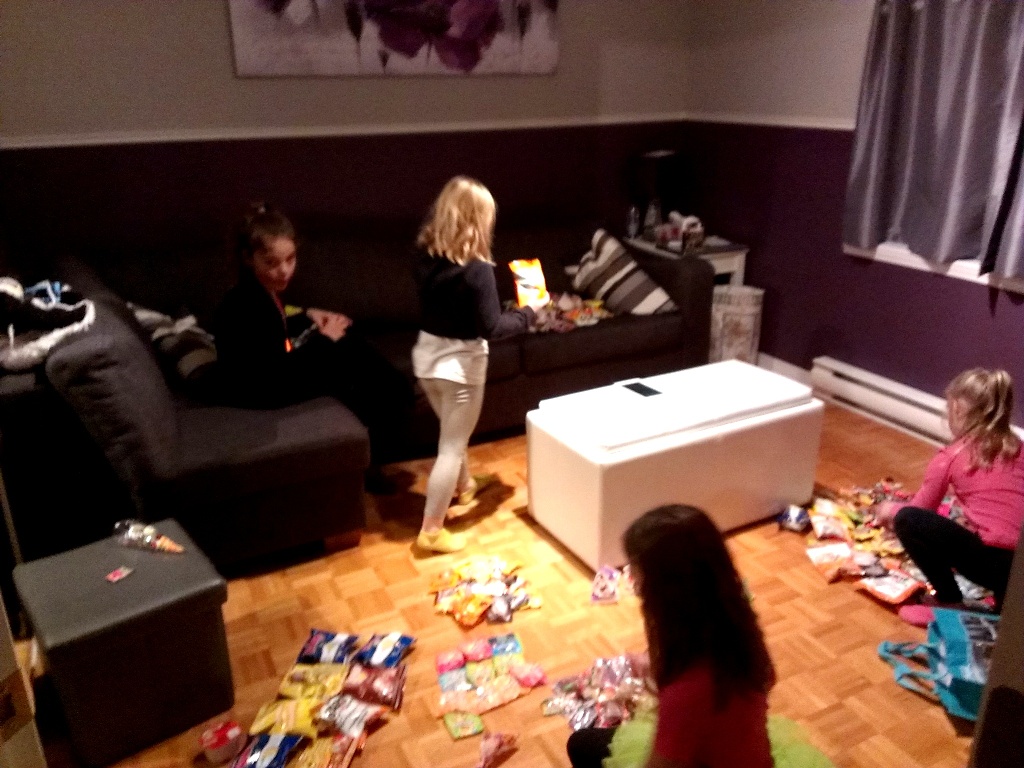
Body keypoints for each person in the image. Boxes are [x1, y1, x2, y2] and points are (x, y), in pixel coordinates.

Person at [213, 203, 413, 492]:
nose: (284, 271)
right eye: (271, 263)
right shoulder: (246, 301)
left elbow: (278, 323)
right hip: (264, 390)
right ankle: (397, 398)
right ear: (248, 258)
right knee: (348, 355)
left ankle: (394, 397)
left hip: (273, 375)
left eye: (290, 259)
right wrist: (325, 339)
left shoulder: (258, 291)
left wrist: (309, 314)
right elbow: (278, 370)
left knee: (347, 343)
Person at [568, 504, 776, 768]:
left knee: (581, 745)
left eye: (637, 573)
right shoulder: (737, 627)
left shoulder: (688, 692)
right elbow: (768, 678)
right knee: (585, 743)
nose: (634, 583)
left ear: (663, 590)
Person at [411, 176, 546, 553]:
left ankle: (466, 487)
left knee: (452, 433)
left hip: (427, 359)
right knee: (451, 447)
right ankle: (431, 530)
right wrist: (530, 312)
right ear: (479, 220)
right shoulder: (477, 269)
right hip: (459, 368)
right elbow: (492, 327)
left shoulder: (424, 256)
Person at [876, 368, 1024, 627]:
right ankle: (1004, 605)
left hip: (996, 566)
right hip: (1019, 568)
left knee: (908, 519)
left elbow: (921, 510)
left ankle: (948, 600)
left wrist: (890, 510)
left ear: (956, 408)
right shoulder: (1019, 449)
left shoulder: (951, 456)